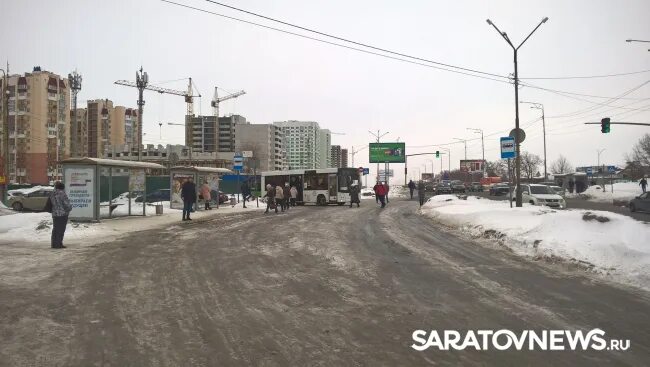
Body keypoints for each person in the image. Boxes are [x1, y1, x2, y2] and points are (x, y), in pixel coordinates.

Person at [48, 181, 72, 249]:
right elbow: (66, 204)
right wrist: (69, 208)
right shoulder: (62, 194)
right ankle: (59, 244)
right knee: (61, 230)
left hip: (55, 214)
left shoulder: (52, 193)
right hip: (62, 214)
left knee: (55, 229)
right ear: (62, 187)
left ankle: (53, 244)